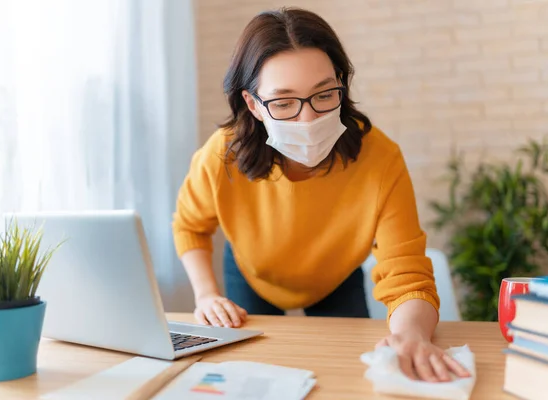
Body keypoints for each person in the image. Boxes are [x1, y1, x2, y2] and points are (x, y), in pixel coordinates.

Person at [172, 7, 470, 382]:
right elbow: (189, 226)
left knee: (346, 374)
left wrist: (411, 336)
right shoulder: (221, 155)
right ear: (253, 104)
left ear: (341, 85)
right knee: (246, 375)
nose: (308, 119)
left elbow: (407, 275)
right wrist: (206, 295)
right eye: (283, 103)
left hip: (335, 273)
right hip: (253, 270)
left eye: (324, 94)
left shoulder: (380, 158)